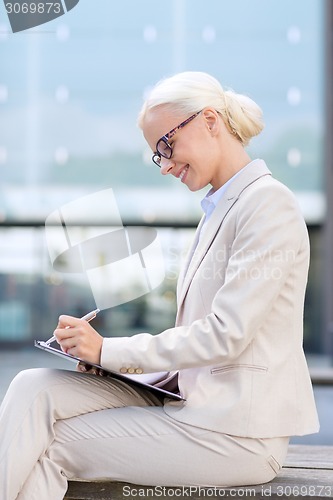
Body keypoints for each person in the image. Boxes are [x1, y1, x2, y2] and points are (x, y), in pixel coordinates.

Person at [0, 71, 319, 499]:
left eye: (166, 146)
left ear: (210, 121)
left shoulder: (267, 204)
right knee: (32, 387)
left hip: (236, 433)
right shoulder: (219, 209)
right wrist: (109, 363)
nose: (165, 165)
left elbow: (227, 334)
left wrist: (109, 350)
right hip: (189, 403)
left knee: (49, 445)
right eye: (157, 155)